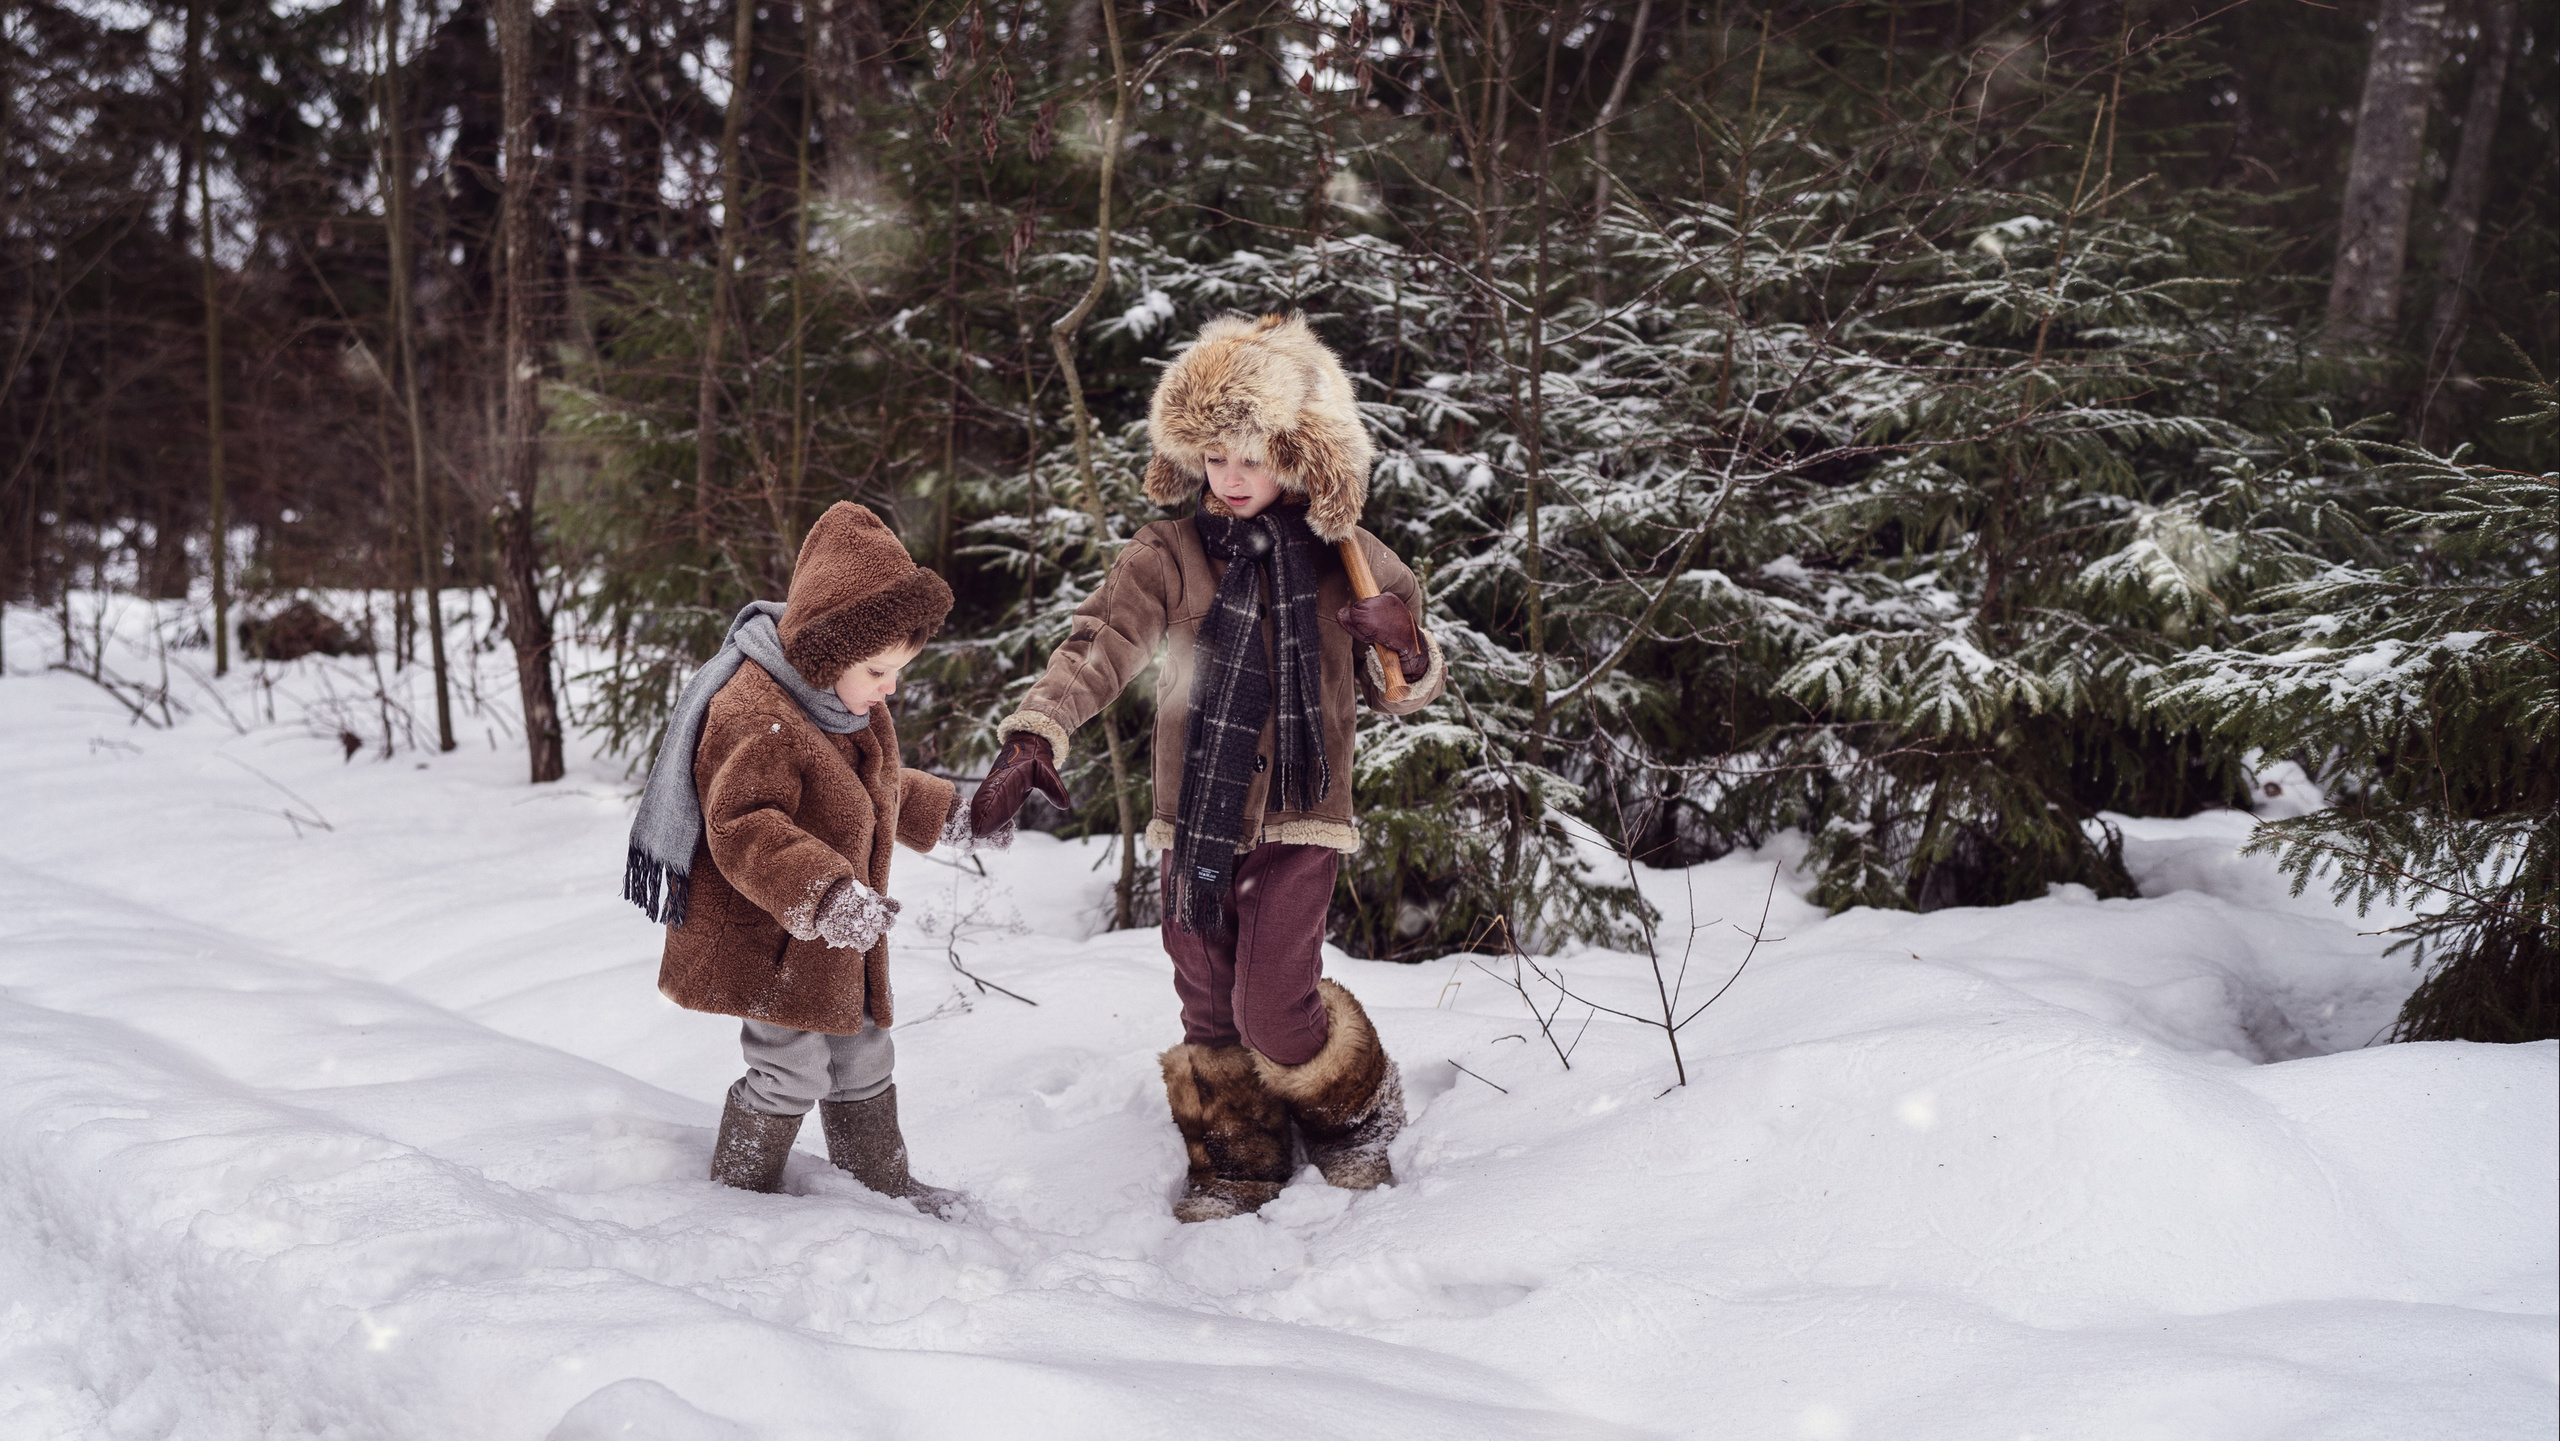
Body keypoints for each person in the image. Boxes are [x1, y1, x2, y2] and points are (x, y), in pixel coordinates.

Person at [973, 313, 1447, 1221]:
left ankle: (1354, 1105)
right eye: (1215, 458)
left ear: (1305, 458)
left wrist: (1407, 644)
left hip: (1300, 817)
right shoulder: (1170, 553)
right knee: (1205, 991)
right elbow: (1099, 643)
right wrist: (1037, 732)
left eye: (1254, 459)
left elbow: (1403, 686)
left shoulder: (1357, 562)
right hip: (1192, 819)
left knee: (1271, 1002)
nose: (1230, 480)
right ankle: (1237, 1152)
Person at [624, 502, 1007, 1212]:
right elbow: (740, 825)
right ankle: (742, 1193)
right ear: (828, 650)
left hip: (841, 931)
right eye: (879, 668)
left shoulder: (847, 701)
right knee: (788, 1066)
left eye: (899, 668)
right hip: (774, 934)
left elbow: (880, 789)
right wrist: (824, 894)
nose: (891, 685)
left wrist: (960, 812)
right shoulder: (755, 713)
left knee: (865, 1049)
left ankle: (881, 1183)